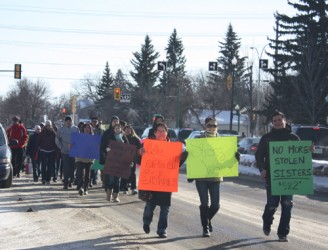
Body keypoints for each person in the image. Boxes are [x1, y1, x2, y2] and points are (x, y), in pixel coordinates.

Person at [189, 117, 240, 237]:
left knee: (216, 205)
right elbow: (192, 158)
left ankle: (207, 220)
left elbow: (226, 160)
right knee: (204, 204)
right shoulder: (198, 140)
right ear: (205, 126)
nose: (212, 128)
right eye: (209, 125)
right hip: (201, 177)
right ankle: (205, 228)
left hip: (215, 177)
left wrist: (236, 159)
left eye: (214, 126)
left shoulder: (223, 143)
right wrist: (191, 172)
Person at [255, 110, 299, 242]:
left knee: (287, 204)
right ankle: (267, 221)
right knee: (272, 204)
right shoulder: (267, 138)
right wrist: (262, 169)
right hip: (271, 176)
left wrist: (307, 151)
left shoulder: (293, 138)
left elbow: (300, 156)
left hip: (288, 177)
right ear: (272, 123)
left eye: (280, 120)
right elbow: (258, 156)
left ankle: (283, 233)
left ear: (285, 120)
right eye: (275, 121)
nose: (277, 122)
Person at [142, 122, 187, 238]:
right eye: (159, 131)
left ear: (167, 132)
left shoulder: (173, 148)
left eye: (163, 131)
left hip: (166, 182)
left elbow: (176, 164)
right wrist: (140, 153)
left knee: (165, 208)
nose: (161, 133)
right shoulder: (149, 146)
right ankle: (146, 222)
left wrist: (183, 157)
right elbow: (140, 159)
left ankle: (162, 230)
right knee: (150, 207)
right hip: (152, 181)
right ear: (155, 133)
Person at [103, 123, 128, 202]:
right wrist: (108, 150)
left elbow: (128, 148)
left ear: (121, 129)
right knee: (111, 179)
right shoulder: (110, 136)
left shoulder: (124, 137)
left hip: (120, 162)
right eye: (116, 128)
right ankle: (108, 193)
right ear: (114, 130)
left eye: (119, 128)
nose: (117, 129)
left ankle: (116, 196)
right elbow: (106, 146)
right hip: (111, 161)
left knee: (117, 180)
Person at [56, 115, 79, 189]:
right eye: (67, 122)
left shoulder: (75, 129)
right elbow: (57, 140)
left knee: (73, 167)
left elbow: (79, 139)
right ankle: (65, 182)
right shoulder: (61, 130)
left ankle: (71, 180)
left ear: (71, 122)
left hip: (73, 151)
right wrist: (61, 147)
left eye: (70, 122)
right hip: (64, 151)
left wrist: (75, 146)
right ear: (65, 122)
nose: (68, 123)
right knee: (66, 167)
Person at [122, 125, 142, 195]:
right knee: (124, 173)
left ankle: (133, 188)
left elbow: (140, 148)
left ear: (131, 130)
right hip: (123, 158)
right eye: (126, 129)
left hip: (132, 158)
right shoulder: (122, 138)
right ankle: (124, 188)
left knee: (133, 173)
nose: (128, 130)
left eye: (129, 129)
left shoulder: (135, 139)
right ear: (124, 130)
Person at [75, 123, 95, 196]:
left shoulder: (93, 138)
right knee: (80, 173)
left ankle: (85, 188)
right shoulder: (79, 137)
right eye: (85, 127)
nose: (87, 129)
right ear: (83, 129)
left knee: (87, 175)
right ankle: (80, 187)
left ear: (90, 129)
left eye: (88, 128)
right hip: (80, 158)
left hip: (89, 159)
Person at [36, 120, 57, 184]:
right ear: (45, 126)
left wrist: (56, 151)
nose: (48, 127)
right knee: (43, 166)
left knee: (50, 166)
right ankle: (43, 179)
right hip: (43, 150)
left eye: (49, 125)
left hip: (51, 151)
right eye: (47, 125)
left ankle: (48, 179)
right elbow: (39, 141)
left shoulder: (53, 133)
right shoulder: (42, 132)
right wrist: (37, 148)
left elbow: (55, 142)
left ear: (51, 126)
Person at [89, 116, 103, 187]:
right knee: (90, 165)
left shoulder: (100, 130)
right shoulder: (88, 128)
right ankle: (90, 179)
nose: (94, 122)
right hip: (89, 149)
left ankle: (94, 178)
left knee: (96, 166)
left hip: (97, 149)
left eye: (96, 121)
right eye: (93, 121)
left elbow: (101, 138)